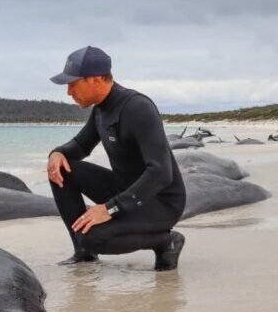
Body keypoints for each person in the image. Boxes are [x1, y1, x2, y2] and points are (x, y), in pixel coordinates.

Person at [47, 46, 186, 270]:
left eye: (73, 83)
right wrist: (57, 153)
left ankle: (166, 241)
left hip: (160, 202)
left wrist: (109, 208)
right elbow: (81, 146)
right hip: (126, 190)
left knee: (92, 236)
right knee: (62, 169)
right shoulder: (101, 109)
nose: (69, 92)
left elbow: (160, 173)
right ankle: (84, 253)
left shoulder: (138, 107)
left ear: (95, 79)